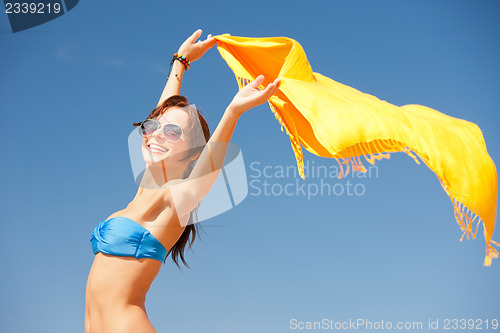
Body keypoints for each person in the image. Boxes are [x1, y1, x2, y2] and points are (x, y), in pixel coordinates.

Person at [84, 29, 281, 333]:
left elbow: (204, 174)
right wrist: (180, 62)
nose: (157, 134)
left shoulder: (175, 198)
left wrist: (233, 112)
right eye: (152, 127)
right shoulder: (146, 186)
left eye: (173, 134)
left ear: (192, 155)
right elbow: (163, 116)